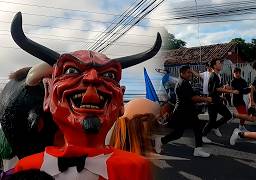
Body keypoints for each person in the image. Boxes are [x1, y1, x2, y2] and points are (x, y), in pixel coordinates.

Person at [9, 12, 162, 179]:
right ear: (48, 94)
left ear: (121, 101)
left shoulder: (136, 168)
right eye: (71, 71)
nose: (93, 78)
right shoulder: (27, 167)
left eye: (109, 75)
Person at [154, 65, 212, 157]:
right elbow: (193, 98)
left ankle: (198, 149)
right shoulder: (183, 83)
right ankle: (161, 141)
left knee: (188, 130)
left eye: (190, 72)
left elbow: (191, 98)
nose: (190, 74)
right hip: (182, 112)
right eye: (188, 72)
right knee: (181, 132)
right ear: (182, 73)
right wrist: (206, 99)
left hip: (186, 111)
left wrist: (202, 101)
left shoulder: (184, 82)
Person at [202, 59, 239, 143]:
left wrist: (224, 88)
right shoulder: (214, 75)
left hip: (215, 100)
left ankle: (209, 130)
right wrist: (231, 91)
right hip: (213, 101)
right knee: (227, 116)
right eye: (219, 63)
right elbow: (217, 89)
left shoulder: (216, 75)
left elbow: (216, 88)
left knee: (214, 120)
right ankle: (206, 133)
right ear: (214, 66)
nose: (221, 64)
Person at [231, 67, 253, 131]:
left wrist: (250, 88)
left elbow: (245, 91)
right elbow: (239, 90)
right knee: (244, 114)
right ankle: (234, 117)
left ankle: (241, 126)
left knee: (244, 114)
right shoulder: (233, 81)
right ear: (233, 73)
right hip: (236, 100)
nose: (238, 74)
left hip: (242, 99)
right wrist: (247, 89)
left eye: (239, 73)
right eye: (236, 73)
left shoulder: (243, 81)